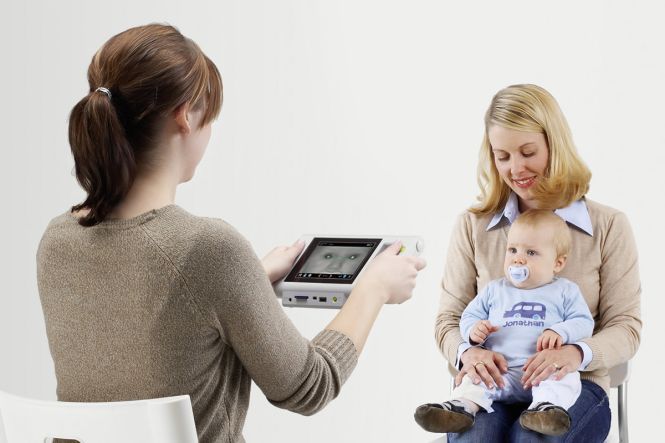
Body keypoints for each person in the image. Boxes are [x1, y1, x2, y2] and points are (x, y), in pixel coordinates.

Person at [36, 24, 425, 443]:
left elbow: (153, 322)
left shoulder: (56, 240)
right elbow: (309, 387)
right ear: (186, 115)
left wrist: (248, 279)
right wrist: (375, 288)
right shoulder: (208, 249)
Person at [420, 84, 641, 442]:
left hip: (572, 386)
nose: (516, 169)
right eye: (502, 156)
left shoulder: (608, 226)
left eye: (528, 152)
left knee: (531, 439)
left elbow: (626, 327)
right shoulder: (473, 226)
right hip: (494, 384)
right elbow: (448, 320)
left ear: (554, 144)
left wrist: (576, 352)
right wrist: (468, 351)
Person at [415, 210, 594, 436]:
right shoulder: (495, 290)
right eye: (512, 250)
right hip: (500, 372)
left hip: (542, 371)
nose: (518, 258)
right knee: (475, 377)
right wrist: (473, 331)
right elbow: (468, 316)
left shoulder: (565, 291)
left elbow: (583, 322)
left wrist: (560, 331)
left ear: (557, 263)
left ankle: (546, 408)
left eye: (531, 252)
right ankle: (462, 407)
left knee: (563, 378)